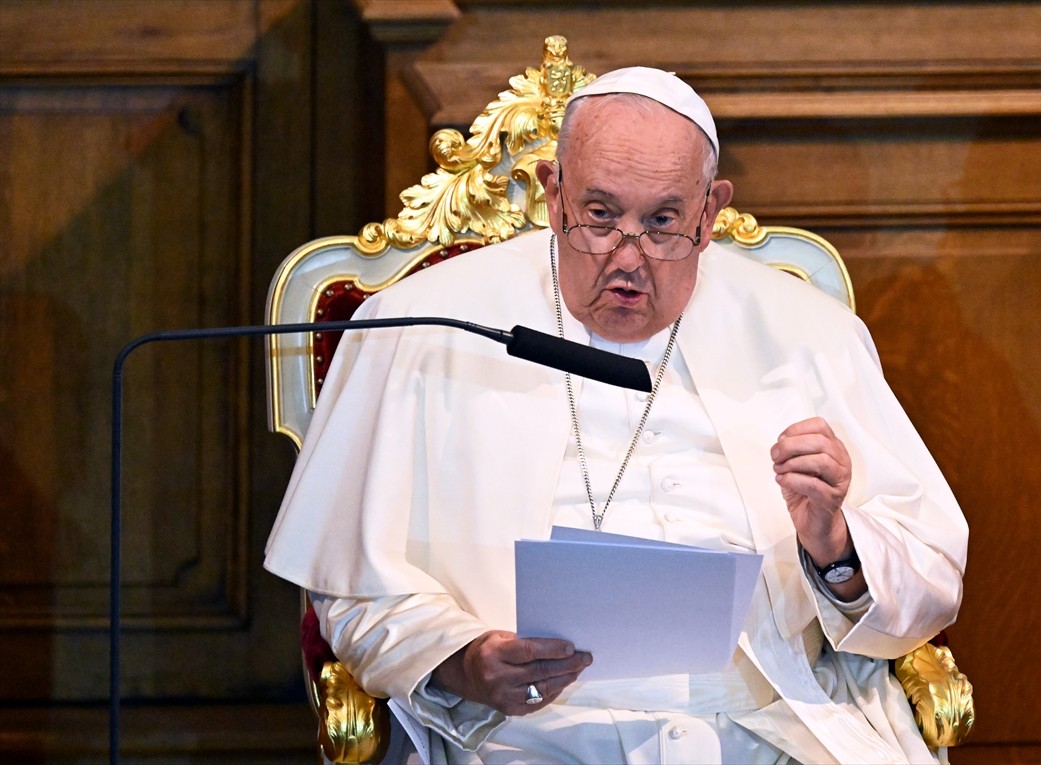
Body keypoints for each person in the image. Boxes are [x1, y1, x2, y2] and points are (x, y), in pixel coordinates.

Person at [265, 67, 968, 764]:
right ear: (552, 192)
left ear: (710, 210)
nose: (628, 258)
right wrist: (463, 660)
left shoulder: (807, 333)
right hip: (518, 736)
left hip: (770, 726)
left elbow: (930, 580)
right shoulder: (424, 327)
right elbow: (355, 592)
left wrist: (837, 548)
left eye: (663, 222)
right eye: (599, 217)